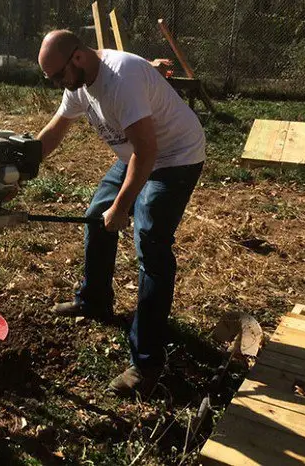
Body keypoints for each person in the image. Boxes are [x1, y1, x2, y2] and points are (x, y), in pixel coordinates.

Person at [36, 30, 205, 397]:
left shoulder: (120, 78)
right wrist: (21, 165)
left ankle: (147, 362)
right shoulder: (79, 82)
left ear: (77, 58)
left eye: (56, 77)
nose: (56, 85)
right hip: (138, 156)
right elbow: (56, 129)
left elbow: (147, 153)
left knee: (151, 243)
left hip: (174, 158)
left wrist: (123, 207)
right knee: (97, 216)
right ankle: (95, 298)